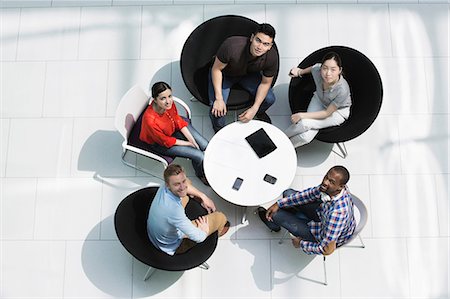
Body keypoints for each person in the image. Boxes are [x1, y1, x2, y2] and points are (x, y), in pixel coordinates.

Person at [257, 166, 355, 255]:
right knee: (288, 193)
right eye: (326, 177)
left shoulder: (337, 214)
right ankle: (290, 214)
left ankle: (275, 224)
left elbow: (326, 250)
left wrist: (301, 243)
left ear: (340, 187)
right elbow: (309, 194)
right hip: (322, 215)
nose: (325, 182)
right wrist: (279, 203)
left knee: (276, 215)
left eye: (331, 182)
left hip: (322, 236)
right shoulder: (331, 190)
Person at [208, 23, 278, 132]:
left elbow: (265, 83)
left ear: (270, 46)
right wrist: (219, 98)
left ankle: (259, 112)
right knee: (217, 110)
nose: (260, 47)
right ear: (251, 38)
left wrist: (254, 108)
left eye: (265, 44)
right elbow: (216, 69)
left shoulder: (272, 58)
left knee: (269, 99)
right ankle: (219, 129)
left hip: (248, 75)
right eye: (258, 40)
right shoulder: (231, 46)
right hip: (225, 74)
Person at [147, 164, 229, 255]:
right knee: (221, 218)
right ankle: (217, 233)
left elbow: (184, 186)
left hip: (157, 234)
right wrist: (204, 231)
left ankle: (198, 199)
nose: (182, 187)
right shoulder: (175, 212)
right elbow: (199, 237)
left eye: (183, 181)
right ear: (168, 185)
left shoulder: (166, 186)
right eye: (177, 184)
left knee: (187, 184)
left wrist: (203, 196)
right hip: (171, 245)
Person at [140, 81, 209, 184]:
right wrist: (188, 144)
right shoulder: (150, 120)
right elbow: (165, 141)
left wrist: (192, 140)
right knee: (199, 155)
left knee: (205, 145)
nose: (168, 101)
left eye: (169, 96)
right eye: (163, 98)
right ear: (155, 99)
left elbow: (178, 120)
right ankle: (200, 174)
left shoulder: (169, 104)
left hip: (172, 128)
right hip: (161, 143)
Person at [286, 52, 352, 147]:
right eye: (325, 68)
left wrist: (301, 115)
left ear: (339, 70)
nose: (328, 73)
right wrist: (300, 72)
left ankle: (283, 143)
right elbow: (313, 68)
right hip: (320, 99)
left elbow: (327, 113)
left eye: (333, 70)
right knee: (306, 136)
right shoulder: (318, 69)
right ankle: (279, 140)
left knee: (304, 124)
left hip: (337, 112)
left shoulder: (342, 90)